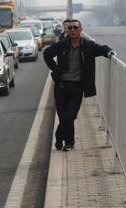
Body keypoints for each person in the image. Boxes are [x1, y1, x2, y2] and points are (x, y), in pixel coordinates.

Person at [43, 19, 115, 151]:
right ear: (67, 31)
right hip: (61, 86)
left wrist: (110, 52)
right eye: (69, 28)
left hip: (77, 87)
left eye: (75, 28)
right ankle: (68, 143)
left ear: (80, 30)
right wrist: (56, 69)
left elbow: (101, 48)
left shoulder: (87, 45)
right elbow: (47, 54)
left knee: (69, 116)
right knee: (63, 116)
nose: (72, 30)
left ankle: (59, 137)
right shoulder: (62, 44)